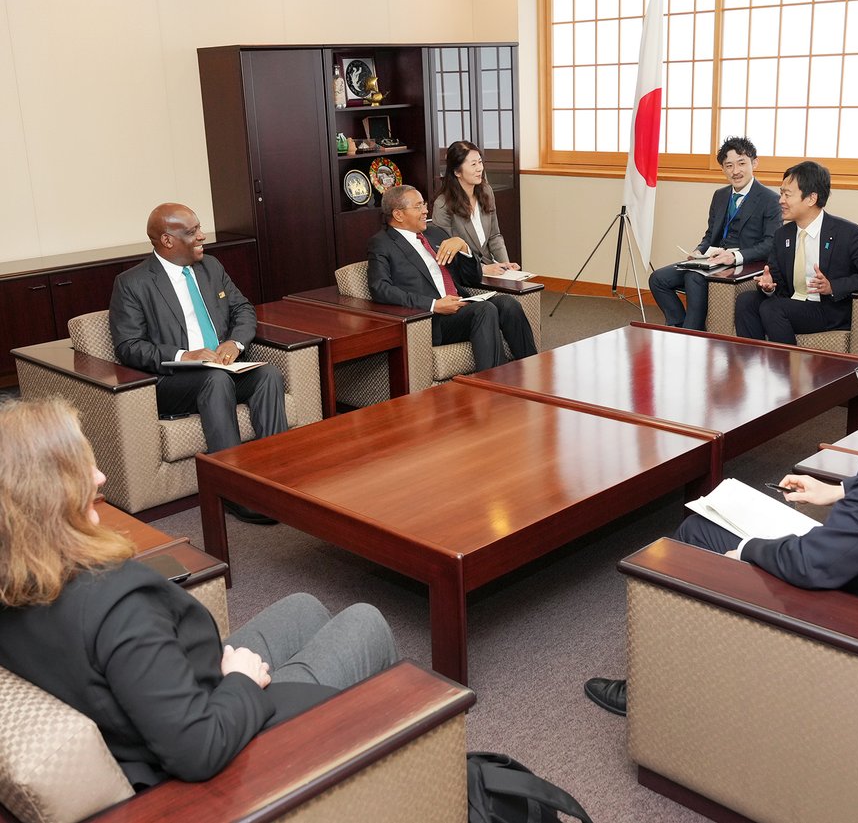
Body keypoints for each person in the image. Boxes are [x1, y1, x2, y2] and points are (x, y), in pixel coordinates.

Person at [585, 305, 858, 716]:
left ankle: (651, 692)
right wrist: (843, 491)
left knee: (700, 532)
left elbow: (814, 566)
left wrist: (749, 550)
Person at [0, 398, 397, 789]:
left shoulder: (17, 582)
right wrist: (240, 681)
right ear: (47, 493)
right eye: (81, 468)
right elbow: (197, 750)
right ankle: (405, 771)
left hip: (169, 700)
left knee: (303, 608)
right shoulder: (116, 605)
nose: (100, 476)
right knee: (366, 621)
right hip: (226, 749)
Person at [109, 203, 284, 525]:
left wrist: (234, 343)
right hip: (174, 380)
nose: (202, 236)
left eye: (199, 227)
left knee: (268, 374)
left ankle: (280, 479)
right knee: (213, 381)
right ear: (167, 240)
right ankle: (235, 491)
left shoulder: (211, 267)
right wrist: (182, 355)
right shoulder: (132, 283)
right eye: (192, 232)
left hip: (223, 365)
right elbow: (129, 346)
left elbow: (243, 309)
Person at [368, 184, 537, 371]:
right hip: (432, 318)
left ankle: (533, 371)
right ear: (398, 214)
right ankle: (494, 386)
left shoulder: (435, 234)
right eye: (418, 207)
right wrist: (433, 304)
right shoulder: (382, 243)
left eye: (424, 204)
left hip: (461, 305)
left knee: (508, 304)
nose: (425, 211)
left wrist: (464, 248)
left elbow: (471, 278)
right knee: (484, 310)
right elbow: (380, 288)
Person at [735, 161, 858, 344]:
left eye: (787, 194)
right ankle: (753, 363)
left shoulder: (847, 233)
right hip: (792, 303)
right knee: (746, 301)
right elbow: (778, 282)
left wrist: (833, 286)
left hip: (825, 309)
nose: (780, 200)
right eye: (781, 193)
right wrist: (769, 286)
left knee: (772, 308)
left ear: (811, 198)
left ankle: (786, 369)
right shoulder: (782, 234)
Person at [647, 136, 782, 330]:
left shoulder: (771, 200)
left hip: (744, 263)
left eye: (741, 163)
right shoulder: (720, 195)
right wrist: (699, 251)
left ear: (754, 163)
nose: (735, 171)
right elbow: (710, 235)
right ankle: (678, 326)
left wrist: (734, 256)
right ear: (723, 169)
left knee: (693, 277)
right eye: (729, 166)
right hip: (712, 259)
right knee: (658, 279)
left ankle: (691, 333)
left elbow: (770, 244)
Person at [431, 140, 519, 277]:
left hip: (492, 268)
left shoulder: (486, 191)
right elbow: (446, 255)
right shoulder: (442, 205)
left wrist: (506, 266)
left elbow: (495, 236)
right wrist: (482, 269)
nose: (480, 168)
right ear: (457, 172)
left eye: (480, 162)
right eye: (473, 164)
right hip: (466, 275)